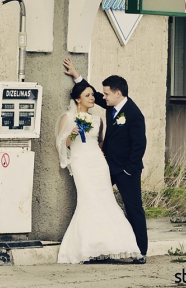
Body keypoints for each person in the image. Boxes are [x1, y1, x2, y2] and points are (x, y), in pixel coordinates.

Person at [62, 58, 148, 264]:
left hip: (126, 170)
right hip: (105, 167)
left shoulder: (134, 114)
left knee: (133, 207)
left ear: (118, 93)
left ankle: (140, 250)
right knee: (97, 202)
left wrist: (128, 170)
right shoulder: (112, 107)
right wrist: (76, 75)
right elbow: (90, 96)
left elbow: (139, 145)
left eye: (107, 93)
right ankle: (98, 244)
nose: (103, 97)